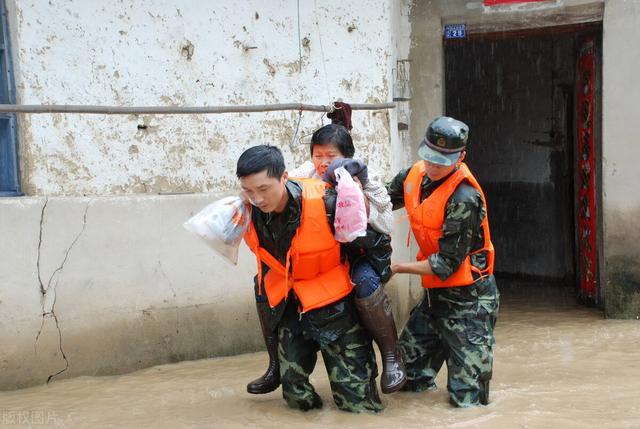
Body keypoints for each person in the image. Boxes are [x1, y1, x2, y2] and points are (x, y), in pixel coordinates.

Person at [238, 144, 383, 412]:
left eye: (263, 189)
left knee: (358, 404)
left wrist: (373, 279)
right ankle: (275, 370)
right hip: (291, 306)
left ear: (283, 177)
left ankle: (391, 356)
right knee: (295, 397)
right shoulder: (244, 211)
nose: (256, 198)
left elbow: (375, 242)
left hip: (336, 307)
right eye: (248, 190)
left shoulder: (328, 202)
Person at [387, 116, 500, 407]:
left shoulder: (464, 197)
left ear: (460, 156)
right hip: (434, 301)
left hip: (469, 304)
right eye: (428, 157)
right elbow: (382, 201)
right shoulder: (415, 175)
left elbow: (445, 266)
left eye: (442, 160)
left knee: (468, 400)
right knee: (405, 378)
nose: (433, 166)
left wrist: (397, 268)